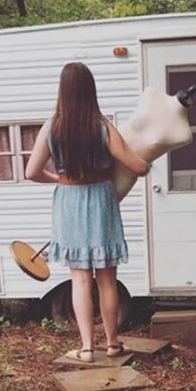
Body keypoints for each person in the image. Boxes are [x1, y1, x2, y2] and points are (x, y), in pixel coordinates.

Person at [25, 61, 150, 363]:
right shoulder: (103, 126)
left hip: (68, 202)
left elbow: (31, 172)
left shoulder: (51, 127)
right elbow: (140, 167)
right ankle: (112, 344)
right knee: (107, 279)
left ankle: (86, 349)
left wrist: (59, 179)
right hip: (102, 202)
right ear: (90, 90)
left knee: (80, 279)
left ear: (62, 91)